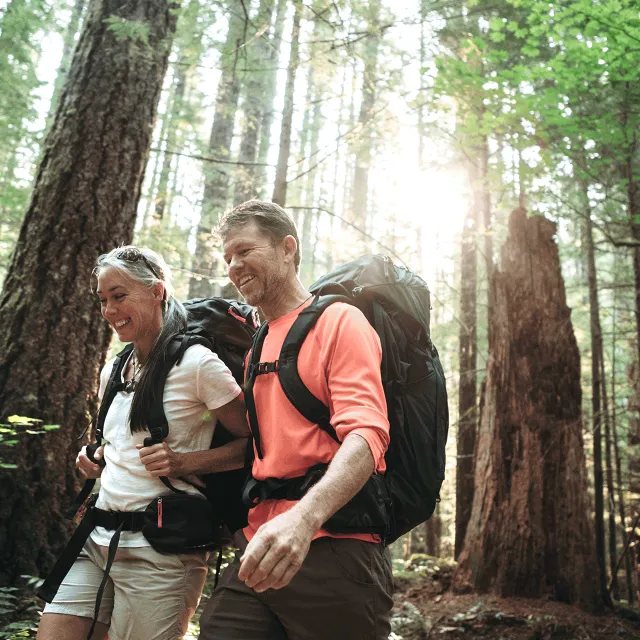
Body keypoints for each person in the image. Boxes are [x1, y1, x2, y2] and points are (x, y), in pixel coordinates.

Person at [198, 201, 393, 640]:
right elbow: (260, 449)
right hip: (260, 546)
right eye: (228, 257)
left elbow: (367, 433)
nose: (234, 266)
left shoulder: (339, 321)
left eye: (245, 250)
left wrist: (304, 520)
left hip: (335, 547)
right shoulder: (258, 345)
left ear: (288, 248)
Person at [37, 246, 250, 640]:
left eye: (119, 295)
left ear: (157, 291)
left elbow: (254, 445)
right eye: (102, 300)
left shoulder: (198, 364)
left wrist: (184, 463)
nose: (109, 310)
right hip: (96, 539)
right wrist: (94, 457)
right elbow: (115, 444)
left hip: (163, 552)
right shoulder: (115, 369)